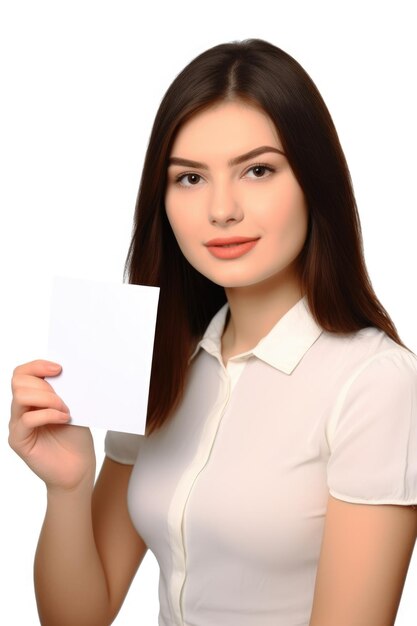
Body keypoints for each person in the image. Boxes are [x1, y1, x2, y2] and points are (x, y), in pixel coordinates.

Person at [8, 38, 417, 626]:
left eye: (257, 170)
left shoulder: (374, 385)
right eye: (190, 178)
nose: (221, 209)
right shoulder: (155, 360)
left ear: (313, 182)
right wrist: (68, 487)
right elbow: (78, 618)